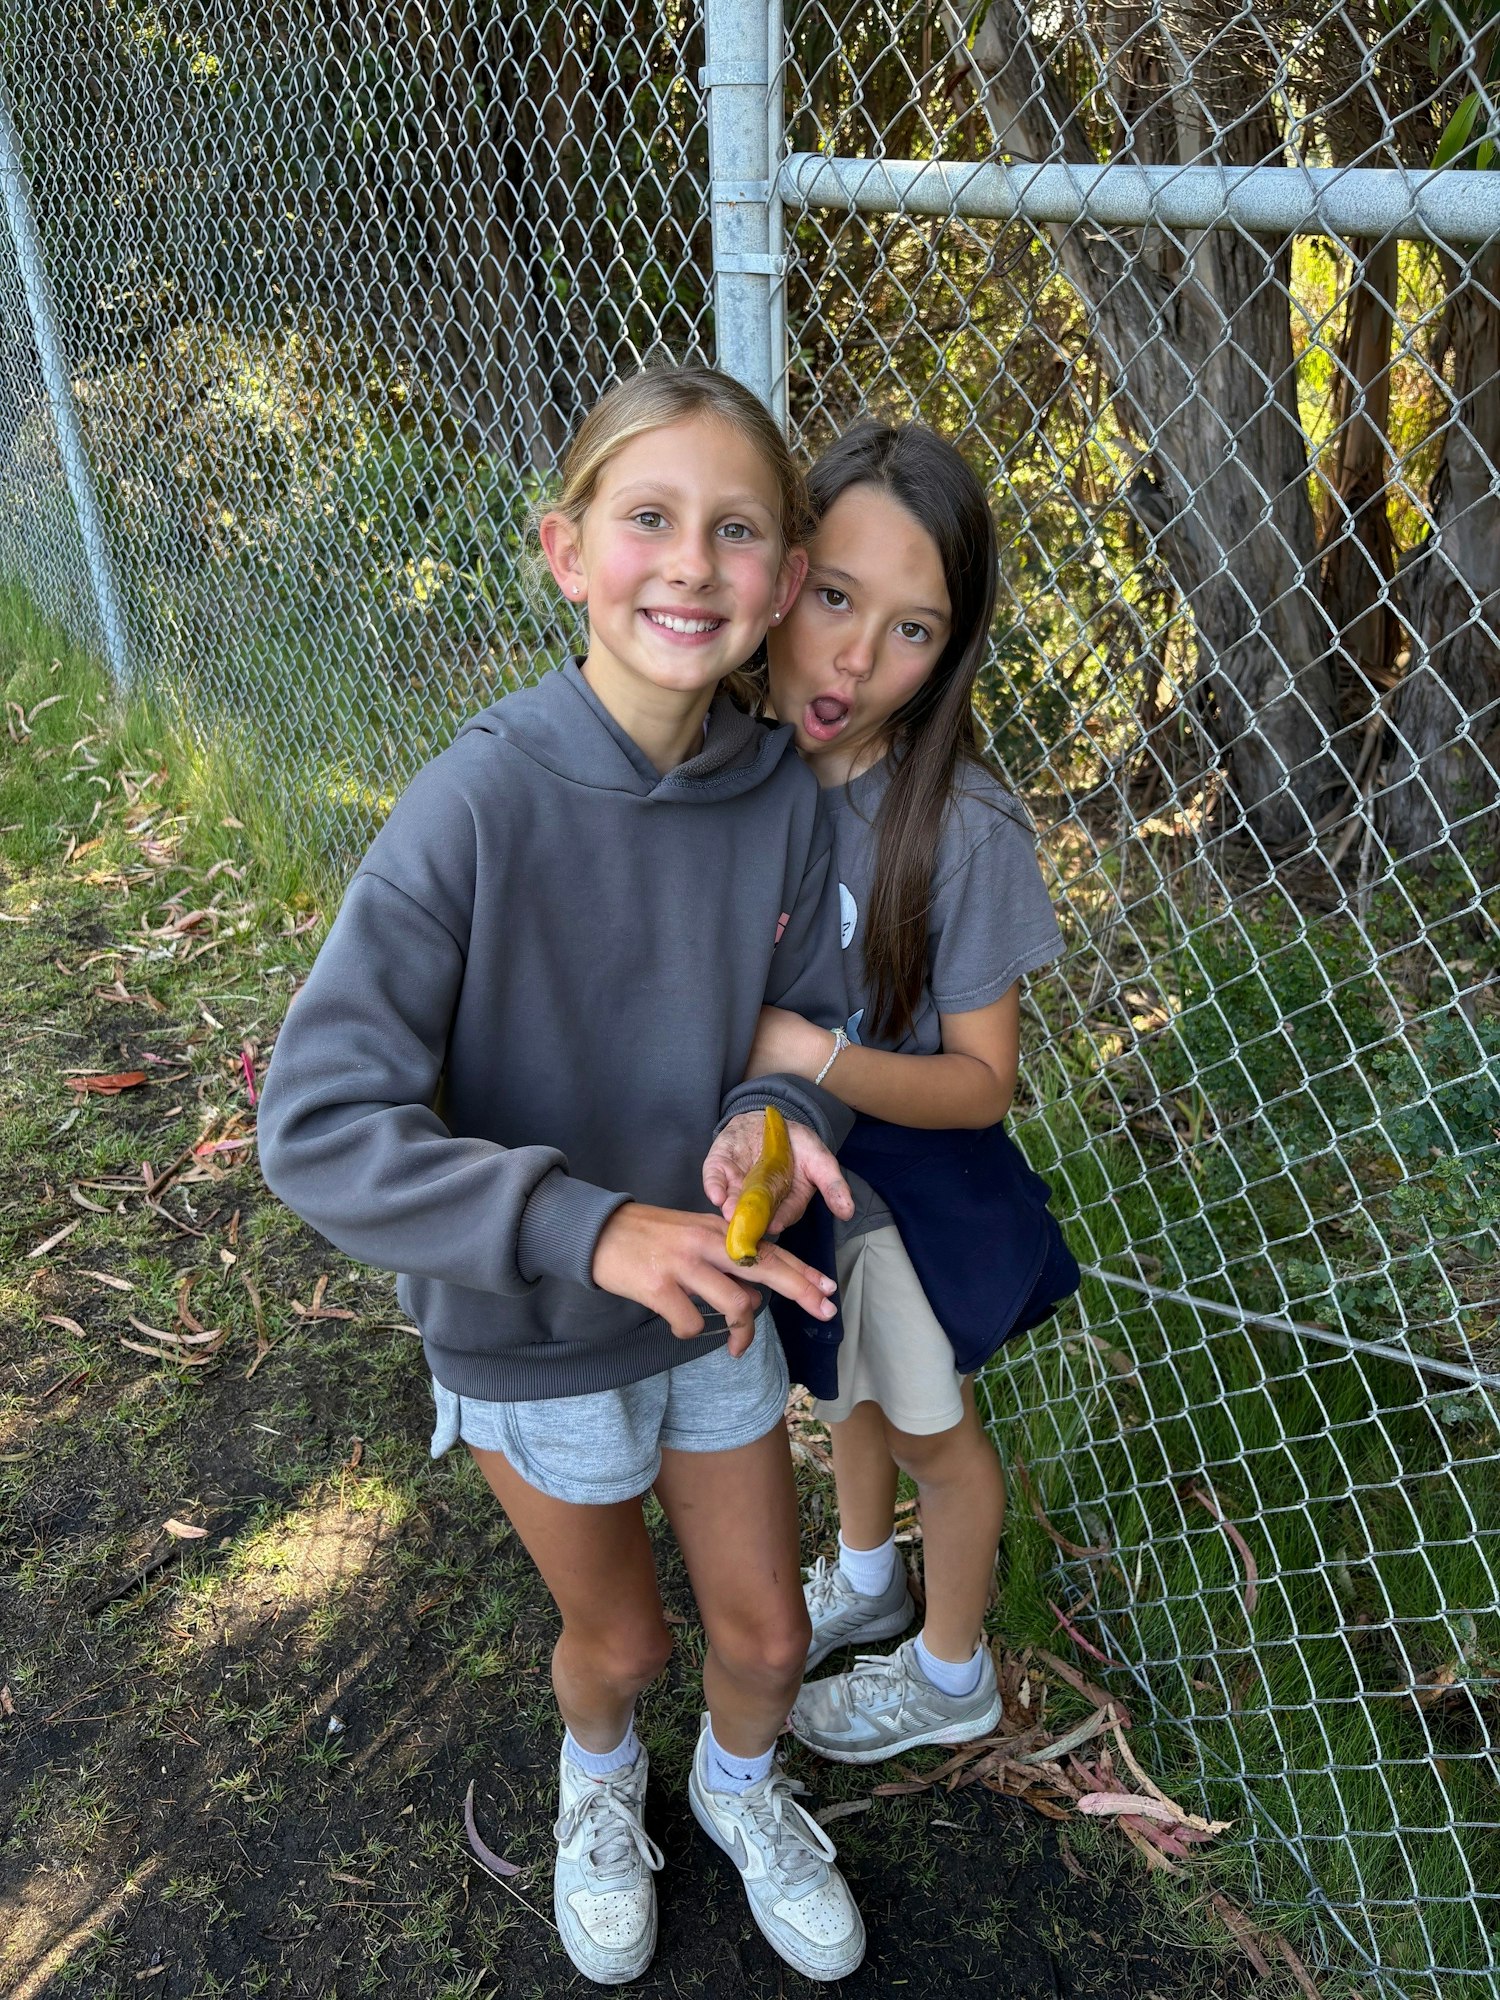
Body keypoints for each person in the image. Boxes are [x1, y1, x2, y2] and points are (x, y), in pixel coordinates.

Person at [257, 367, 869, 1985]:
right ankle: (601, 1780)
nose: (691, 562)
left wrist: (771, 1124)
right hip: (529, 1323)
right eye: (649, 519)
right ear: (564, 551)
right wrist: (576, 1226)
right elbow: (317, 1122)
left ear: (787, 578)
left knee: (769, 1636)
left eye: (737, 529)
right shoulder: (477, 804)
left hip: (711, 1310)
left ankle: (740, 1790)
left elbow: (811, 1026)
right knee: (624, 1640)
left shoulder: (784, 810)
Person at [741, 420, 1078, 1765]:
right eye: (835, 599)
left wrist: (806, 1053)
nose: (857, 659)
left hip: (917, 1186)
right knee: (843, 1393)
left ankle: (951, 1672)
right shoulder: (736, 770)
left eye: (913, 630)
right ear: (782, 577)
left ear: (953, 650)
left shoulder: (961, 828)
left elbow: (983, 1085)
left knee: (935, 1433)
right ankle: (869, 1577)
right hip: (804, 1174)